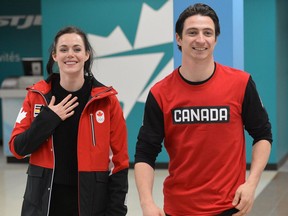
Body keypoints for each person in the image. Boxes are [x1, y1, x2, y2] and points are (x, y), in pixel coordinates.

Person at [134, 3, 272, 216]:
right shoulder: (160, 93)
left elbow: (262, 135)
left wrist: (252, 183)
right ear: (179, 39)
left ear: (216, 39)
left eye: (208, 33)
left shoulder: (241, 83)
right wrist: (146, 203)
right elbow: (145, 152)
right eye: (192, 32)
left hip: (230, 206)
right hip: (179, 208)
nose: (200, 39)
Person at [9, 26, 129, 216]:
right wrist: (48, 118)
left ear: (87, 54)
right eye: (63, 49)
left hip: (91, 203)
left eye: (77, 49)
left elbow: (119, 163)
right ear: (55, 55)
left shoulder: (107, 101)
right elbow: (17, 148)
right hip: (43, 203)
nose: (70, 54)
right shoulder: (37, 96)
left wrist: (116, 211)